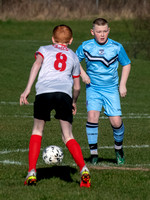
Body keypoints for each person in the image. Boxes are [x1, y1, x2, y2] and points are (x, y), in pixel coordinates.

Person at [20, 25, 91, 187]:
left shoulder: (44, 49)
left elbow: (37, 65)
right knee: (68, 136)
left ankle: (32, 172)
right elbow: (77, 87)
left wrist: (27, 89)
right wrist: (73, 101)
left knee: (37, 130)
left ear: (52, 39)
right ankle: (84, 170)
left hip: (44, 92)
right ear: (71, 41)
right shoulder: (73, 57)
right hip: (64, 95)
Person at [76, 18, 131, 165]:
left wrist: (122, 84)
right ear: (92, 32)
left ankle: (118, 149)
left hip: (111, 89)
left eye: (104, 31)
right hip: (93, 88)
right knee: (92, 116)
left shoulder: (116, 47)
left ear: (109, 31)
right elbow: (74, 60)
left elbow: (126, 64)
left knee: (116, 122)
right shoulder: (86, 46)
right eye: (99, 32)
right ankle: (94, 154)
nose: (102, 34)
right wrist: (83, 74)